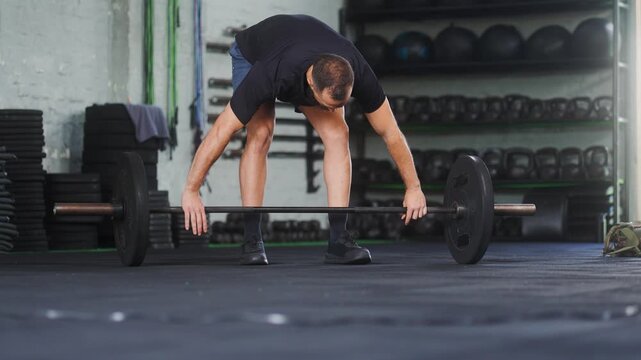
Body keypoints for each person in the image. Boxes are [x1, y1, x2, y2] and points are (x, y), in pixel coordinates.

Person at [181, 14, 427, 265]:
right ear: (310, 84)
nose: (332, 111)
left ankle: (338, 240)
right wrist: (192, 189)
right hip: (254, 53)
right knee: (261, 133)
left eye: (339, 105)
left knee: (338, 132)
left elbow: (390, 132)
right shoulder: (271, 72)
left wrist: (414, 187)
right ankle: (252, 239)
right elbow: (221, 130)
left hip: (301, 47)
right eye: (327, 105)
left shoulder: (358, 70)